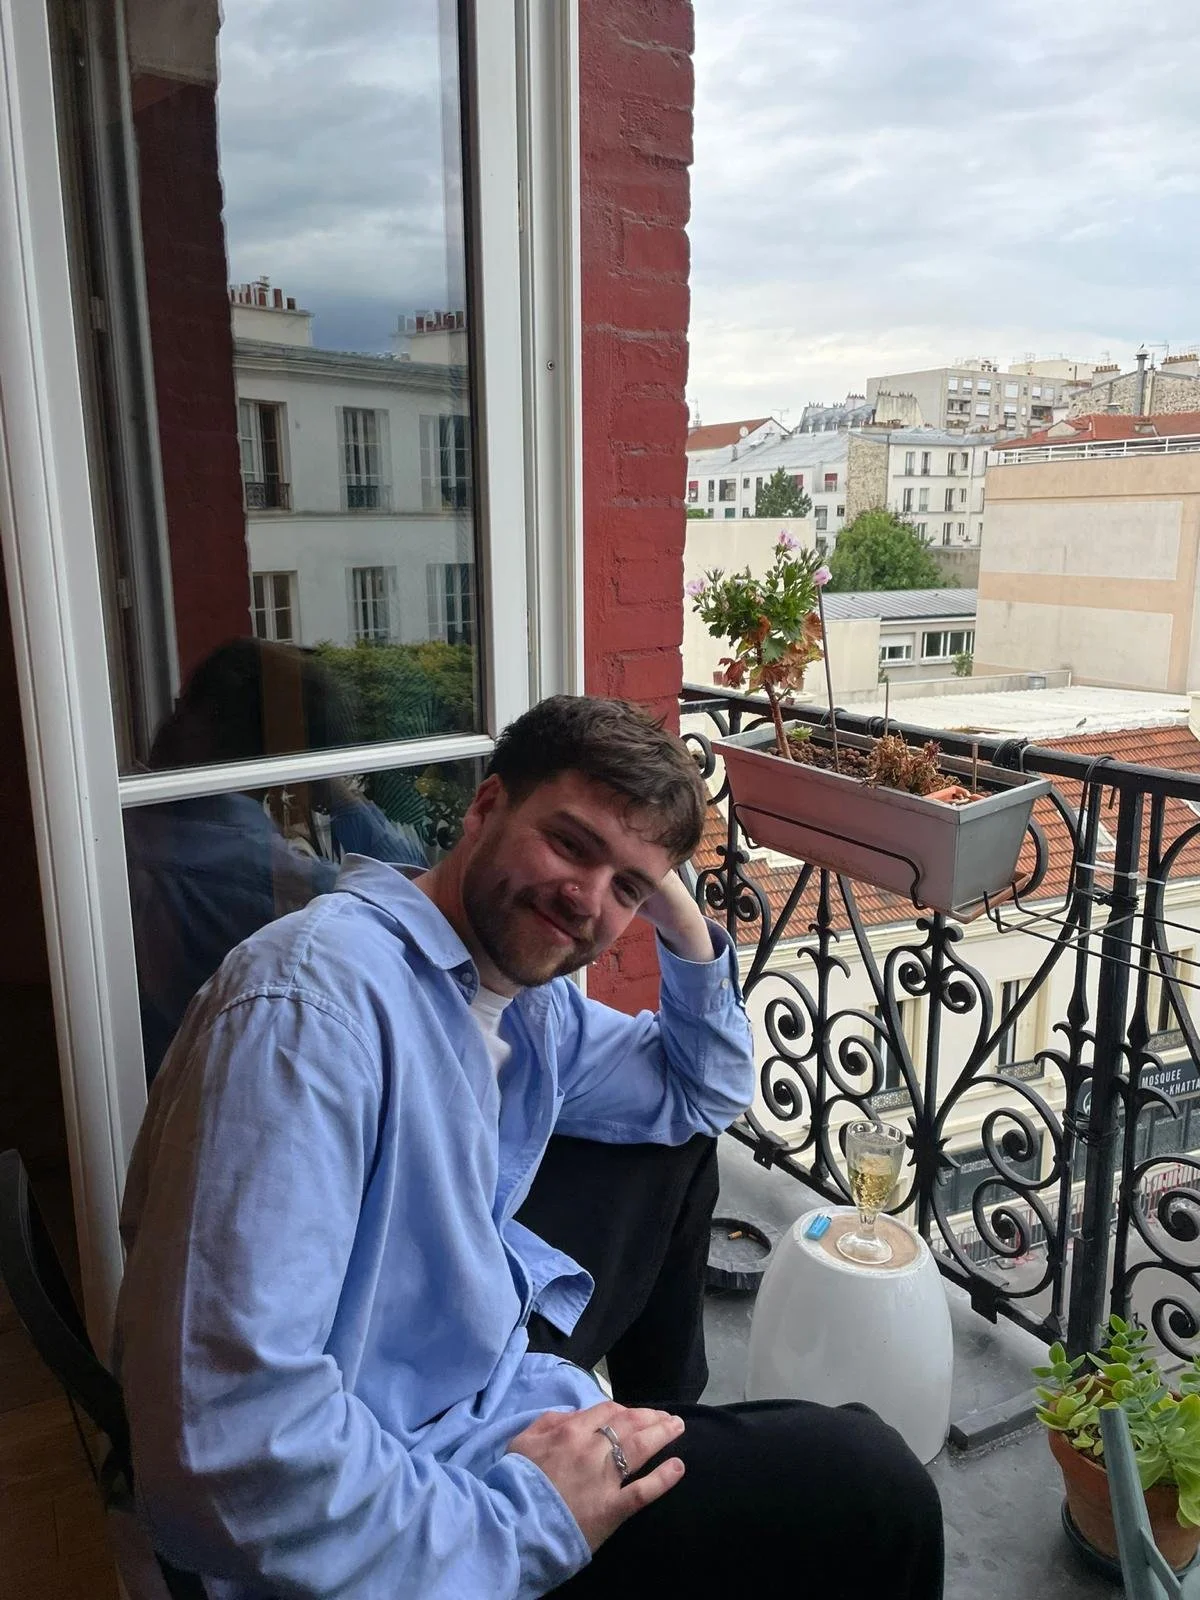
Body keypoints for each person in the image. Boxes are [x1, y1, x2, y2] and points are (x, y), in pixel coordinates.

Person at [114, 695, 944, 1597]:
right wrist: (533, 1520)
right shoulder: (311, 1013)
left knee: (677, 1150)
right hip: (414, 1497)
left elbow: (701, 1090)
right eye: (572, 844)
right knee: (875, 1484)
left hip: (482, 1380)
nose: (588, 901)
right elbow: (224, 1454)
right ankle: (649, 1450)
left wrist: (679, 914)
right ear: (484, 808)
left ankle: (659, 1419)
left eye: (627, 886)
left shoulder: (520, 998)